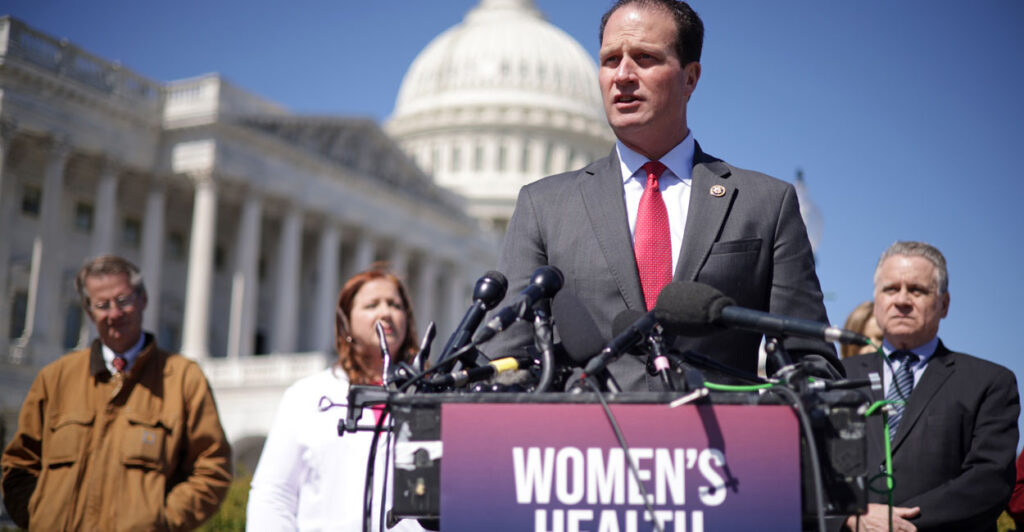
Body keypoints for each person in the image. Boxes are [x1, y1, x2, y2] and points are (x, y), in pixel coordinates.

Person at [490, 0, 838, 390]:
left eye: (645, 58)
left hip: (720, 427)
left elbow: (811, 363)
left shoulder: (765, 204)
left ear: (690, 78)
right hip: (586, 427)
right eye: (610, 60)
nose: (623, 75)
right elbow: (506, 361)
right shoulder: (544, 207)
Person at [1, 255, 232, 530]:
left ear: (143, 300)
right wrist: (40, 517)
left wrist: (163, 523)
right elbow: (19, 464)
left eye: (123, 300)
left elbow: (212, 466)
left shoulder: (183, 379)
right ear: (89, 311)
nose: (115, 314)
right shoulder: (56, 378)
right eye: (102, 305)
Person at [840, 241, 1019, 531]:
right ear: (877, 299)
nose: (901, 300)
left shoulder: (988, 382)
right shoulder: (835, 377)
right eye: (891, 289)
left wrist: (899, 524)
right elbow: (803, 471)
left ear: (944, 304)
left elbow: (990, 479)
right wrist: (851, 517)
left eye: (917, 290)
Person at [247, 266, 426, 531]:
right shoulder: (307, 396)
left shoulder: (430, 396)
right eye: (372, 305)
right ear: (346, 323)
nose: (385, 313)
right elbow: (273, 494)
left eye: (395, 305)